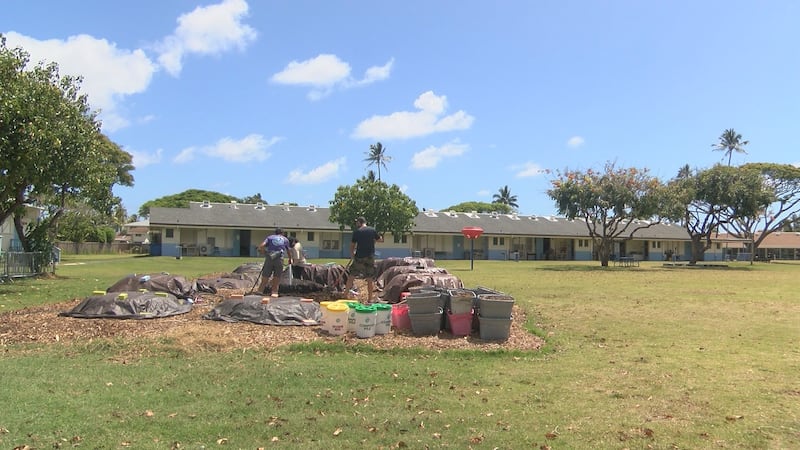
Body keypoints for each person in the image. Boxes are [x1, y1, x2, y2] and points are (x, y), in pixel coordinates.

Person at [344, 216, 383, 302]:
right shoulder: (372, 230)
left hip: (359, 257)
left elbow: (352, 245)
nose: (356, 224)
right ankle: (369, 299)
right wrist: (374, 240)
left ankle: (345, 295)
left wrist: (352, 255)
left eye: (356, 222)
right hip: (370, 257)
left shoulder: (357, 232)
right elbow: (380, 239)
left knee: (351, 276)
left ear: (359, 222)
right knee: (369, 279)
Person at [257, 228, 291, 296]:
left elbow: (261, 246)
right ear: (282, 233)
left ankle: (260, 291)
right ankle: (274, 292)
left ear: (275, 233)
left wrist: (264, 252)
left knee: (265, 276)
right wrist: (290, 258)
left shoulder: (270, 237)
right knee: (277, 276)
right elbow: (288, 250)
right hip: (279, 259)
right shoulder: (285, 239)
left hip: (269, 258)